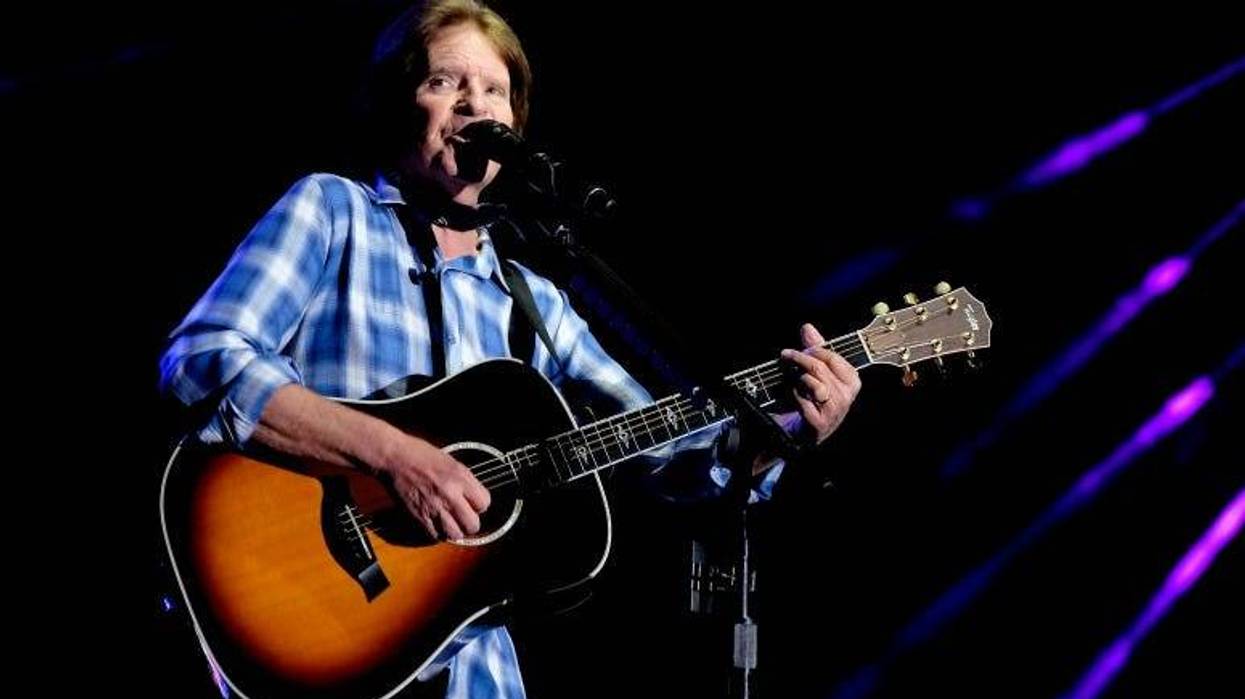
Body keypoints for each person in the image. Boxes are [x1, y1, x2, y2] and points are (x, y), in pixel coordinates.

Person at [158, 1, 862, 696]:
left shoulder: (534, 298)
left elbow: (668, 451)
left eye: (494, 90)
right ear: (396, 103)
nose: (475, 105)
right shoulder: (332, 211)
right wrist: (393, 455)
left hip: (477, 674)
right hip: (310, 614)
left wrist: (783, 431)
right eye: (445, 82)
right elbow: (203, 356)